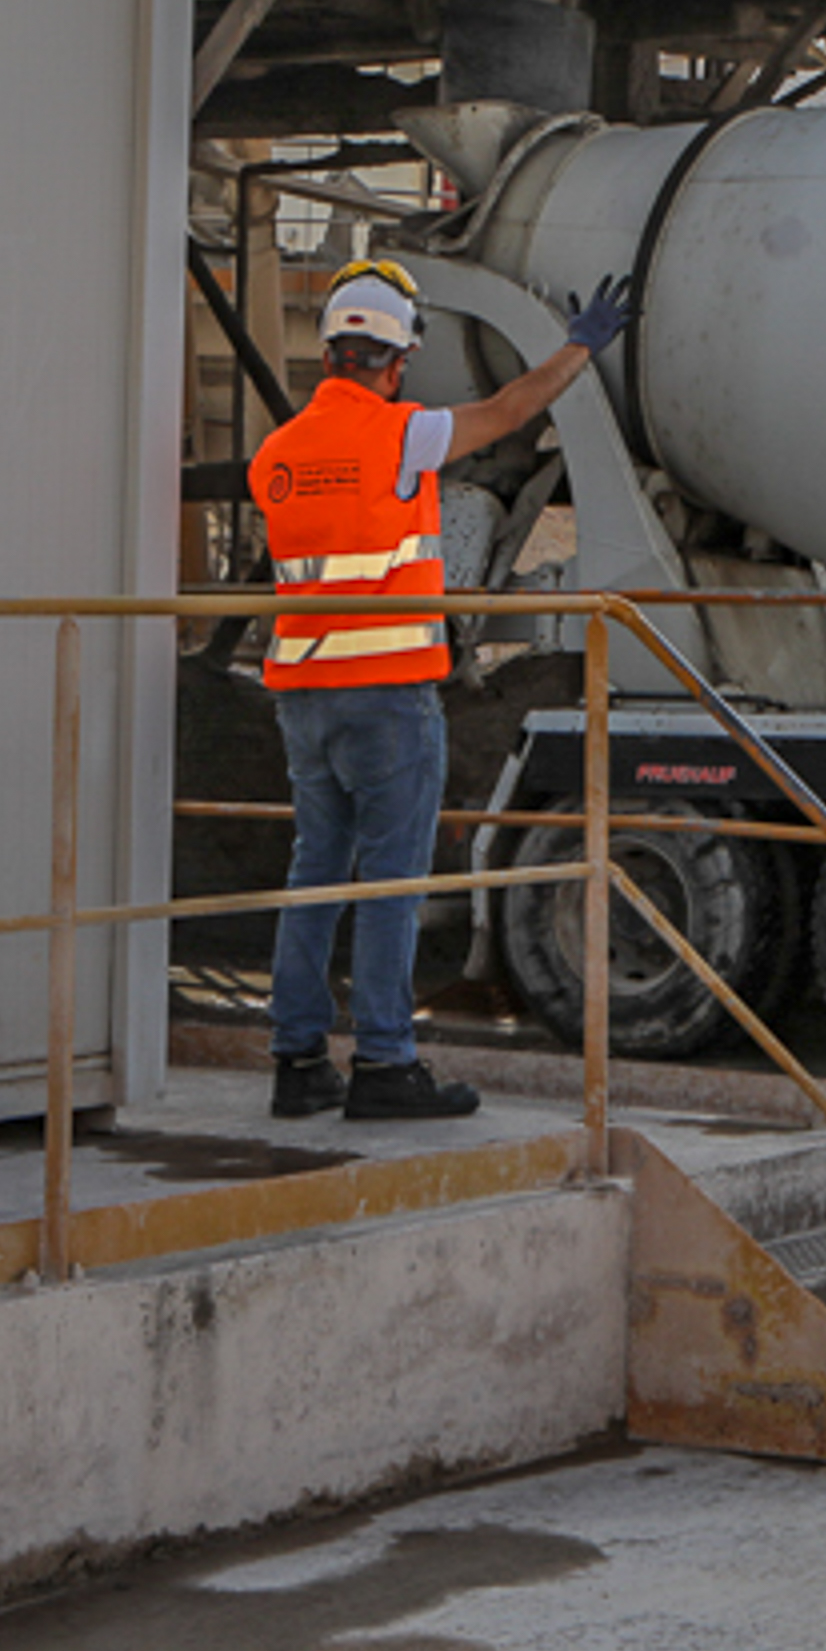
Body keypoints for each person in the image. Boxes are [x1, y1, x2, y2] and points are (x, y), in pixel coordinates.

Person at [253, 258, 632, 1120]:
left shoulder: (275, 457)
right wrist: (577, 349)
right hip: (387, 695)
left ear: (327, 356)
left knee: (315, 872)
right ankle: (385, 1064)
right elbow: (509, 412)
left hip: (304, 698)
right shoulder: (402, 434)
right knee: (391, 879)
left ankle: (298, 1059)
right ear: (396, 363)